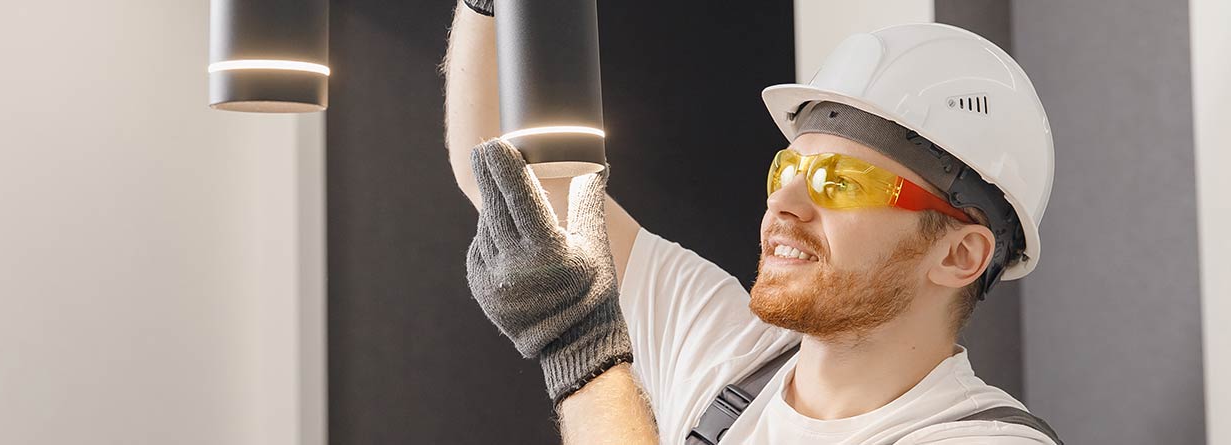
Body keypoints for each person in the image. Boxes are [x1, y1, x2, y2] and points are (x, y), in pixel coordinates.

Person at [443, 1, 1060, 443]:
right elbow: (509, 179)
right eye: (786, 169)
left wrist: (583, 353)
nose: (783, 203)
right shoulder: (724, 353)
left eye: (839, 183)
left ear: (960, 255)